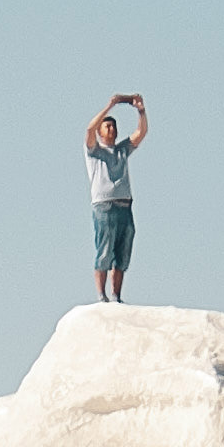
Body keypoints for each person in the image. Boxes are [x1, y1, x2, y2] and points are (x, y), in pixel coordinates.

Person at [85, 93, 148, 301]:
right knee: (104, 250)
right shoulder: (94, 151)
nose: (111, 129)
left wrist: (141, 110)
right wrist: (110, 106)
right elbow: (89, 130)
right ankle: (101, 295)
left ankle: (116, 295)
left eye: (113, 126)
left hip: (124, 205)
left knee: (123, 250)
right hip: (104, 206)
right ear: (101, 131)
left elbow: (141, 133)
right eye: (107, 127)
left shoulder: (121, 150)